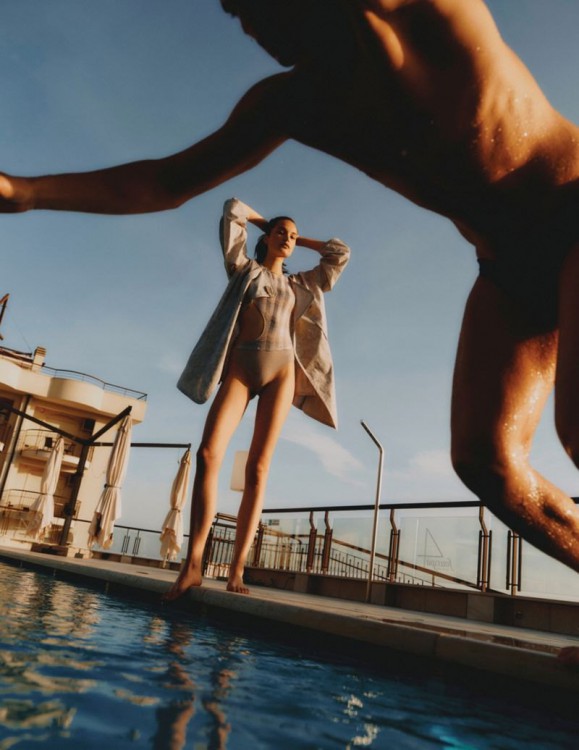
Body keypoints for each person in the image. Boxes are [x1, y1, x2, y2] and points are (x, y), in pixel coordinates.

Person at [0, 2, 578, 574]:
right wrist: (23, 192)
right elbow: (164, 183)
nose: (248, 25)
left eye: (247, 6)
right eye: (234, 15)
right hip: (506, 269)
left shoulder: (419, 13)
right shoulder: (292, 103)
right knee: (487, 463)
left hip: (569, 203)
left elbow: (335, 254)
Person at [165, 197, 349, 597]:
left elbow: (339, 253)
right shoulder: (243, 268)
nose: (288, 239)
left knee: (258, 469)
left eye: (293, 236)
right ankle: (193, 564)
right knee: (208, 454)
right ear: (265, 238)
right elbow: (233, 209)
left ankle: (237, 571)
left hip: (281, 375)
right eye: (282, 233)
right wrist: (268, 224)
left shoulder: (302, 283)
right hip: (240, 370)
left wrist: (299, 240)